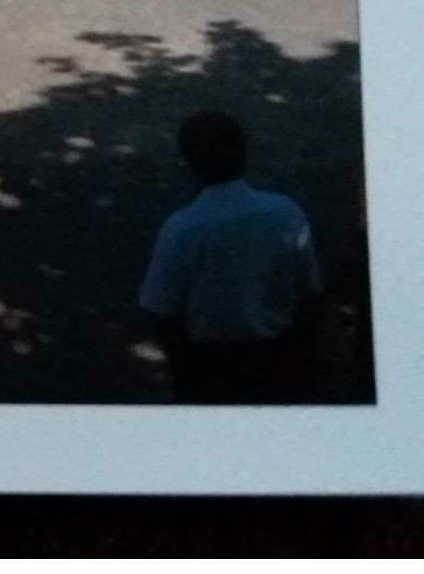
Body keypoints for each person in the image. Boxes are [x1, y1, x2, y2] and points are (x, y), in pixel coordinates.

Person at [137, 112, 324, 404]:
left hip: (210, 366)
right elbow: (310, 293)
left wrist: (183, 370)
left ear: (188, 164)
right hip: (279, 357)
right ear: (244, 156)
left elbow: (162, 310)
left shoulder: (181, 228)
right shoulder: (285, 212)